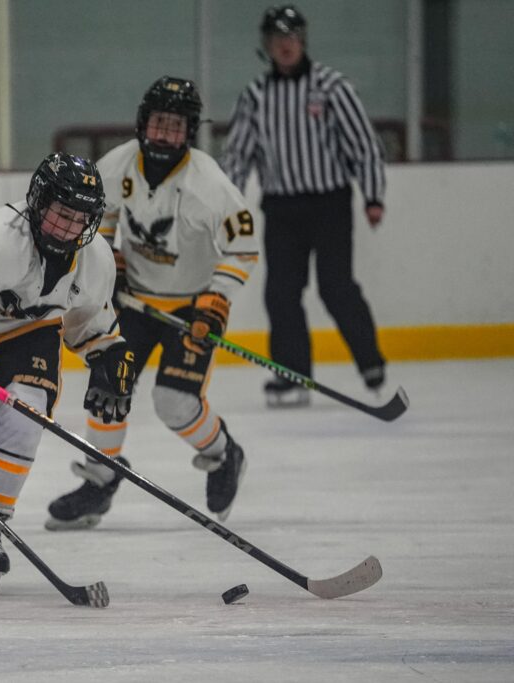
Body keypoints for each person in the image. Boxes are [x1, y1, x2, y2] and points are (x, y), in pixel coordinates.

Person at [0, 152, 137, 595]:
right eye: (61, 213)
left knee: (25, 421)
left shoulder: (95, 257)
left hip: (31, 336)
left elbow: (90, 321)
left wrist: (109, 354)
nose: (68, 227)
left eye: (79, 219)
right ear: (39, 201)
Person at [44, 77, 258, 531]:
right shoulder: (117, 165)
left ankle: (224, 454)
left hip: (192, 309)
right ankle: (100, 481)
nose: (165, 134)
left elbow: (242, 247)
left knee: (175, 403)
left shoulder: (210, 185)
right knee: (109, 387)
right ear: (143, 124)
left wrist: (216, 298)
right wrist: (109, 263)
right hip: (135, 302)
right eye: (159, 123)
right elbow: (94, 222)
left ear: (191, 131)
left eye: (176, 127)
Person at [221, 5, 387, 407]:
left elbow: (363, 145)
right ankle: (291, 375)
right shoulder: (256, 96)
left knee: (336, 287)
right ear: (267, 46)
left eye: (291, 37)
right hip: (281, 208)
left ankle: (370, 362)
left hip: (329, 203)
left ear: (303, 40)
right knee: (280, 293)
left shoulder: (331, 87)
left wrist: (373, 195)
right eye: (277, 39)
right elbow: (238, 156)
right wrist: (227, 202)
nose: (285, 45)